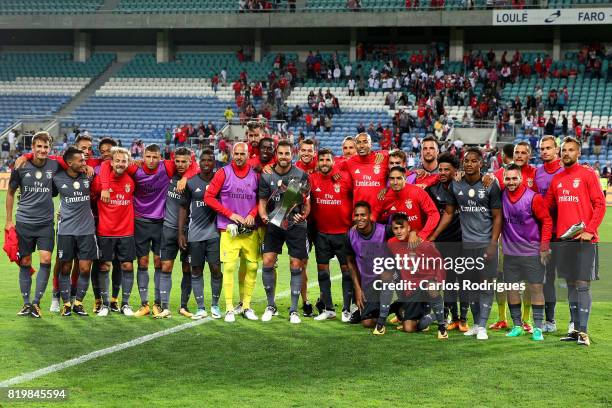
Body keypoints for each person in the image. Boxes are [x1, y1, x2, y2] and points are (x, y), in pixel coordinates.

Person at [98, 144, 198, 318]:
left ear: (161, 158)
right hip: (140, 221)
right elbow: (108, 164)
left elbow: (192, 165)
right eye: (148, 157)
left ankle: (158, 304)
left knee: (159, 262)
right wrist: (105, 186)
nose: (151, 161)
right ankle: (144, 304)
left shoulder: (166, 166)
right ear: (143, 156)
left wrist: (185, 178)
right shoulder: (134, 169)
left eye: (155, 157)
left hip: (160, 222)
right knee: (142, 262)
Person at [545, 137, 606, 346]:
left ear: (578, 153)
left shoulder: (587, 174)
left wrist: (590, 230)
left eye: (571, 150)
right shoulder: (557, 180)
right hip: (564, 240)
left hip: (585, 240)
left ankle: (584, 331)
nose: (566, 153)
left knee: (582, 284)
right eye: (564, 150)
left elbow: (600, 204)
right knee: (570, 283)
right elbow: (547, 208)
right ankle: (574, 329)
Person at [439, 147, 503, 340]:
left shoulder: (490, 184)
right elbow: (449, 213)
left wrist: (493, 244)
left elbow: (498, 218)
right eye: (466, 161)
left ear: (481, 163)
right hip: (466, 246)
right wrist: (432, 235)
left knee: (485, 285)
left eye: (474, 161)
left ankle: (483, 326)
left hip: (485, 244)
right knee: (470, 286)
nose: (469, 164)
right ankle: (476, 324)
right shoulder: (456, 185)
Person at [6, 132, 60, 318]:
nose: (42, 150)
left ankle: (36, 303)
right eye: (39, 147)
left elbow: (73, 163)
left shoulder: (54, 164)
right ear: (33, 147)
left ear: (50, 149)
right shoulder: (21, 165)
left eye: (46, 147)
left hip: (45, 223)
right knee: (25, 262)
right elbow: (11, 192)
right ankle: (26, 303)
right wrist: (8, 220)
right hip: (24, 222)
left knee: (46, 260)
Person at [204, 143, 259, 322]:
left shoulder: (256, 175)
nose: (239, 156)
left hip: (250, 230)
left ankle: (246, 306)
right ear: (231, 154)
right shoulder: (223, 173)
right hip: (229, 229)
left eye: (242, 153)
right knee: (228, 267)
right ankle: (228, 308)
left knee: (251, 267)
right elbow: (208, 197)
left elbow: (263, 199)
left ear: (248, 154)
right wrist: (230, 214)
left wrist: (252, 214)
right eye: (236, 153)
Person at [258, 140, 310, 324]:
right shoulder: (266, 176)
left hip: (295, 226)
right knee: (267, 262)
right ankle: (270, 305)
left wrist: (303, 216)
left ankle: (294, 310)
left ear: (292, 154)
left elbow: (307, 202)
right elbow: (262, 201)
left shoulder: (301, 175)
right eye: (281, 153)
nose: (284, 157)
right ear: (276, 155)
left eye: (287, 154)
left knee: (296, 265)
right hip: (274, 224)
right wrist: (263, 215)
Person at [501, 164, 553, 341]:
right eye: (507, 179)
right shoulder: (501, 196)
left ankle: (537, 328)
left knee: (536, 288)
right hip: (510, 253)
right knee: (512, 289)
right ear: (503, 179)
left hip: (532, 252)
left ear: (521, 179)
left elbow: (547, 221)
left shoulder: (534, 198)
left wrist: (544, 246)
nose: (511, 182)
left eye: (514, 178)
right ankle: (517, 326)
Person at [309, 149, 354, 321]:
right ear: (318, 162)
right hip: (321, 234)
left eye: (328, 160)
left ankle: (346, 309)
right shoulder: (312, 179)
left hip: (343, 233)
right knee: (323, 272)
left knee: (347, 272)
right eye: (321, 160)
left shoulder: (344, 178)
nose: (325, 163)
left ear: (333, 161)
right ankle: (328, 309)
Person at [91, 147, 136, 317]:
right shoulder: (101, 182)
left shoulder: (132, 180)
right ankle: (104, 305)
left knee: (127, 265)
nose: (120, 164)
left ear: (128, 162)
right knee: (104, 266)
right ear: (111, 162)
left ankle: (125, 304)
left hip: (126, 231)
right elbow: (91, 198)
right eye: (117, 160)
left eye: (124, 161)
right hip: (105, 231)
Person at [427, 153, 469, 332]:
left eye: (447, 169)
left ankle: (464, 319)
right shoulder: (432, 190)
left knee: (464, 281)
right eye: (441, 169)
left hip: (463, 240)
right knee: (449, 281)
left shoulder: (465, 187)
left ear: (455, 171)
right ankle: (452, 317)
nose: (442, 172)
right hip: (442, 243)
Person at [387, 213, 448, 339]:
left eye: (402, 227)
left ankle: (441, 325)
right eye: (395, 228)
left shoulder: (422, 243)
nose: (399, 231)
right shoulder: (391, 243)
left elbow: (439, 262)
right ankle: (434, 315)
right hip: (411, 289)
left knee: (431, 287)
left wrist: (438, 282)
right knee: (409, 328)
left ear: (409, 228)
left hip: (427, 283)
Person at [179, 149, 223, 320]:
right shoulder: (191, 182)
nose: (206, 163)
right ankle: (200, 307)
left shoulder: (220, 180)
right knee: (196, 270)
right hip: (195, 234)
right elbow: (183, 208)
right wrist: (181, 233)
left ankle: (215, 305)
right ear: (199, 162)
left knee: (215, 269)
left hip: (214, 234)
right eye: (203, 160)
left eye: (209, 160)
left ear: (214, 162)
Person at [52, 147, 96, 317]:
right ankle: (66, 304)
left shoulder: (88, 175)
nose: (84, 163)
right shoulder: (57, 178)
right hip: (66, 231)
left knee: (85, 269)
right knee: (65, 268)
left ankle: (78, 303)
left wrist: (88, 167)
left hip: (86, 230)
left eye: (85, 160)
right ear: (70, 163)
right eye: (81, 160)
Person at [156, 147, 197, 318]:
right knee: (166, 266)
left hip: (189, 232)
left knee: (187, 268)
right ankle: (165, 307)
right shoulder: (168, 176)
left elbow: (198, 168)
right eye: (177, 161)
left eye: (184, 161)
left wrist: (187, 177)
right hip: (169, 229)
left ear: (190, 161)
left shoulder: (195, 179)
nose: (180, 165)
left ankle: (183, 306)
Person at [346, 201, 394, 335]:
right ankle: (392, 307)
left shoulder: (385, 230)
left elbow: (404, 231)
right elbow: (350, 262)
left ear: (370, 216)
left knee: (386, 274)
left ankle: (399, 304)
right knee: (367, 323)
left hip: (390, 279)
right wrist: (357, 288)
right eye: (357, 215)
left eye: (363, 215)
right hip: (370, 284)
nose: (359, 218)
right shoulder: (350, 235)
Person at [535, 135, 565, 332]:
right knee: (545, 278)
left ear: (557, 150)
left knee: (571, 278)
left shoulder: (566, 172)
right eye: (542, 148)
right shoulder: (537, 172)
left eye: (548, 148)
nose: (545, 151)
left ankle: (572, 323)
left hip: (562, 234)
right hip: (541, 234)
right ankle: (548, 320)